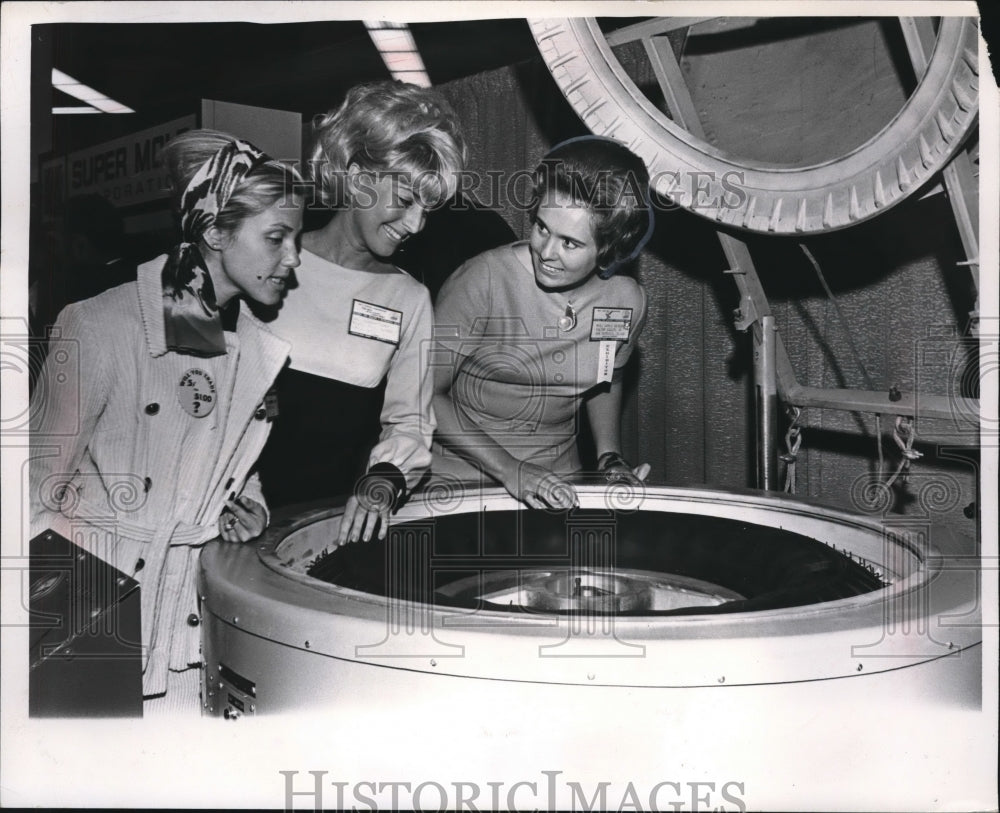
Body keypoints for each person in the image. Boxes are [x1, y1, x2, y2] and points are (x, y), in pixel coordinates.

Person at [29, 129, 304, 712]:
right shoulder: (101, 325)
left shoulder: (257, 348)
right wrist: (66, 615)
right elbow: (31, 489)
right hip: (93, 606)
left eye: (295, 239)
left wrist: (247, 504)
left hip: (191, 614)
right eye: (277, 238)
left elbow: (226, 463)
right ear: (213, 232)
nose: (294, 259)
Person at [257, 80, 466, 544]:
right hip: (229, 510)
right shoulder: (264, 262)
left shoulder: (408, 298)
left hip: (328, 523)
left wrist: (382, 482)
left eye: (428, 210)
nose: (415, 224)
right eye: (406, 200)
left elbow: (410, 421)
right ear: (356, 175)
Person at [432, 136, 654, 509]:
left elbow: (606, 378)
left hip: (559, 482)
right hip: (461, 482)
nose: (546, 252)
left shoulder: (625, 300)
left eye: (570, 243)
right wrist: (511, 469)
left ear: (609, 248)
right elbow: (424, 394)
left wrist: (609, 458)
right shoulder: (481, 280)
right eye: (541, 227)